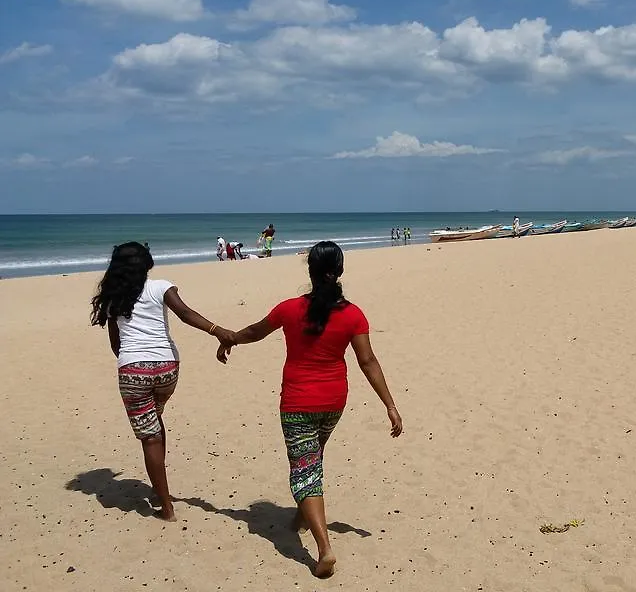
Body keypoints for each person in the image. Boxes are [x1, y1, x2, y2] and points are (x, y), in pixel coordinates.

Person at [216, 241, 402, 578]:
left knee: (304, 472)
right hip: (334, 402)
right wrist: (390, 405)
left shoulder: (289, 309)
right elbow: (368, 361)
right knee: (311, 459)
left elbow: (256, 331)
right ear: (340, 271)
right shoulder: (353, 314)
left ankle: (324, 549)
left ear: (311, 272)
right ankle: (301, 517)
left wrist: (230, 338)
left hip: (299, 403)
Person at [89, 242, 232, 521]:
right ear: (147, 265)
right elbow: (186, 314)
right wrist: (218, 331)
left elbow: (116, 345)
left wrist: (133, 363)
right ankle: (158, 487)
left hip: (133, 370)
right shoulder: (160, 287)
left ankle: (166, 507)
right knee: (156, 421)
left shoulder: (113, 298)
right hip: (168, 369)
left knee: (149, 438)